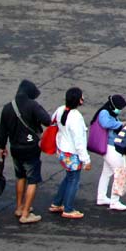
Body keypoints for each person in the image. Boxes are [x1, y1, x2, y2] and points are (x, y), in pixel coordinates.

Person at [0, 79, 51, 224]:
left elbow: (2, 130)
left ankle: (19, 207)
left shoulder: (8, 107)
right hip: (31, 149)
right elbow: (47, 121)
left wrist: (2, 147)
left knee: (20, 176)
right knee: (33, 180)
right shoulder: (33, 105)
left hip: (15, 148)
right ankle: (26, 214)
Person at [49, 88, 91, 220]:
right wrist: (86, 160)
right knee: (74, 180)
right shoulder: (76, 117)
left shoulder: (60, 109)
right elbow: (79, 142)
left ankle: (57, 203)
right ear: (78, 100)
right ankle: (68, 208)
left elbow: (52, 120)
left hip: (62, 150)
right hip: (72, 154)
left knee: (69, 177)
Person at [93, 95, 126, 211]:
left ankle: (102, 197)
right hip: (110, 147)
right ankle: (114, 201)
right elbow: (105, 124)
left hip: (108, 146)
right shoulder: (104, 113)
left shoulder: (110, 113)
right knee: (120, 172)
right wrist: (120, 124)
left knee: (107, 173)